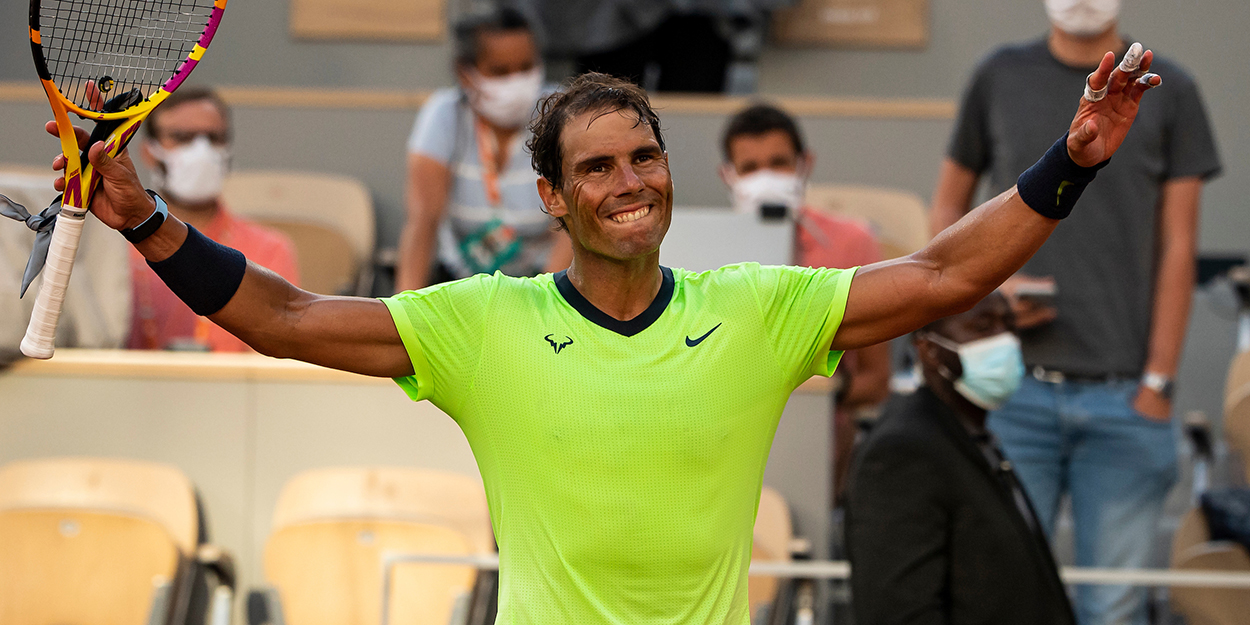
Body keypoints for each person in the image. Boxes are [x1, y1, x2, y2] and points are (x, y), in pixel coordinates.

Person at [51, 49, 1158, 622]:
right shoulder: (483, 322)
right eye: (596, 167)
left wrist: (1073, 160)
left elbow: (942, 271)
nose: (629, 183)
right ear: (553, 196)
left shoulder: (756, 308)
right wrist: (148, 221)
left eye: (645, 156)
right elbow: (285, 318)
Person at [928, 3, 1220, 623]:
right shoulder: (998, 75)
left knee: (1111, 606)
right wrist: (982, 299)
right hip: (1009, 390)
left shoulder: (1168, 89)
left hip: (1125, 395)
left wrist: (1158, 382)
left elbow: (1180, 248)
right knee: (1003, 598)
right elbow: (946, 215)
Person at [846, 292, 1075, 625]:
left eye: (1008, 325)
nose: (1004, 340)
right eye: (982, 327)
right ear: (928, 348)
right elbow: (898, 611)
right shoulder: (902, 451)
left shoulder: (971, 436)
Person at [719, 103, 890, 503]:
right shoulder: (699, 254)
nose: (765, 178)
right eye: (749, 168)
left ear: (804, 164)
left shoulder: (852, 244)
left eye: (778, 163)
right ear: (727, 176)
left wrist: (812, 398)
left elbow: (876, 380)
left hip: (822, 429)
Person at [395, 7, 572, 292]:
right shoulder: (445, 114)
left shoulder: (561, 113)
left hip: (544, 285)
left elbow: (575, 224)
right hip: (461, 286)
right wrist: (400, 313)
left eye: (526, 68)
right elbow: (423, 221)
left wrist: (545, 306)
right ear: (465, 74)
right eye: (500, 72)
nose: (516, 82)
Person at [131, 87, 299, 352]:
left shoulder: (270, 249)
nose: (201, 150)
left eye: (213, 137)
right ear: (149, 153)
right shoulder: (116, 249)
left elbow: (277, 357)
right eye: (182, 137)